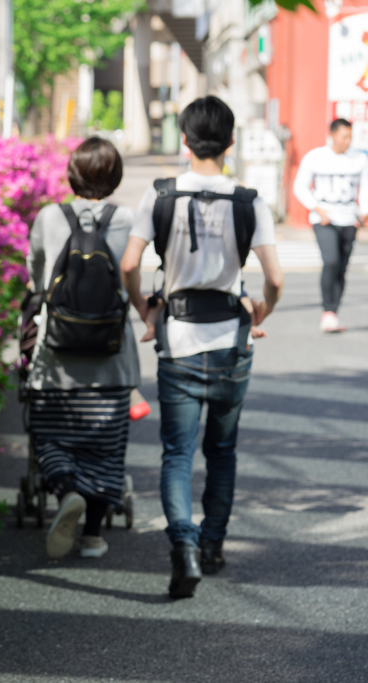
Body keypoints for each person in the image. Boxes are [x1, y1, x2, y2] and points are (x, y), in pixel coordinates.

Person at [121, 96, 284, 599]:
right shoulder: (249, 200)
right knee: (223, 451)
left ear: (185, 141)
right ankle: (212, 546)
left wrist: (144, 309)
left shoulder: (159, 196)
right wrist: (262, 310)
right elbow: (275, 278)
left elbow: (130, 265)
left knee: (176, 453)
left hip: (178, 339)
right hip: (231, 338)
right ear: (230, 142)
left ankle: (183, 547)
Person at [27, 136, 141, 560]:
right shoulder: (128, 219)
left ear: (72, 174)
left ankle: (66, 491)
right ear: (115, 176)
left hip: (56, 356)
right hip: (112, 358)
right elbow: (133, 276)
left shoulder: (49, 217)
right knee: (106, 447)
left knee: (49, 437)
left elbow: (36, 280)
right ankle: (93, 535)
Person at [292, 118, 368, 333]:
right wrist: (316, 208)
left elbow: (365, 187)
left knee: (342, 267)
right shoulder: (315, 157)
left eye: (350, 136)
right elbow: (300, 186)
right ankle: (327, 311)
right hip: (324, 217)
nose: (347, 141)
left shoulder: (359, 159)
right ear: (333, 135)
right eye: (343, 136)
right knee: (331, 261)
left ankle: (334, 311)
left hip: (349, 217)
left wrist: (363, 212)